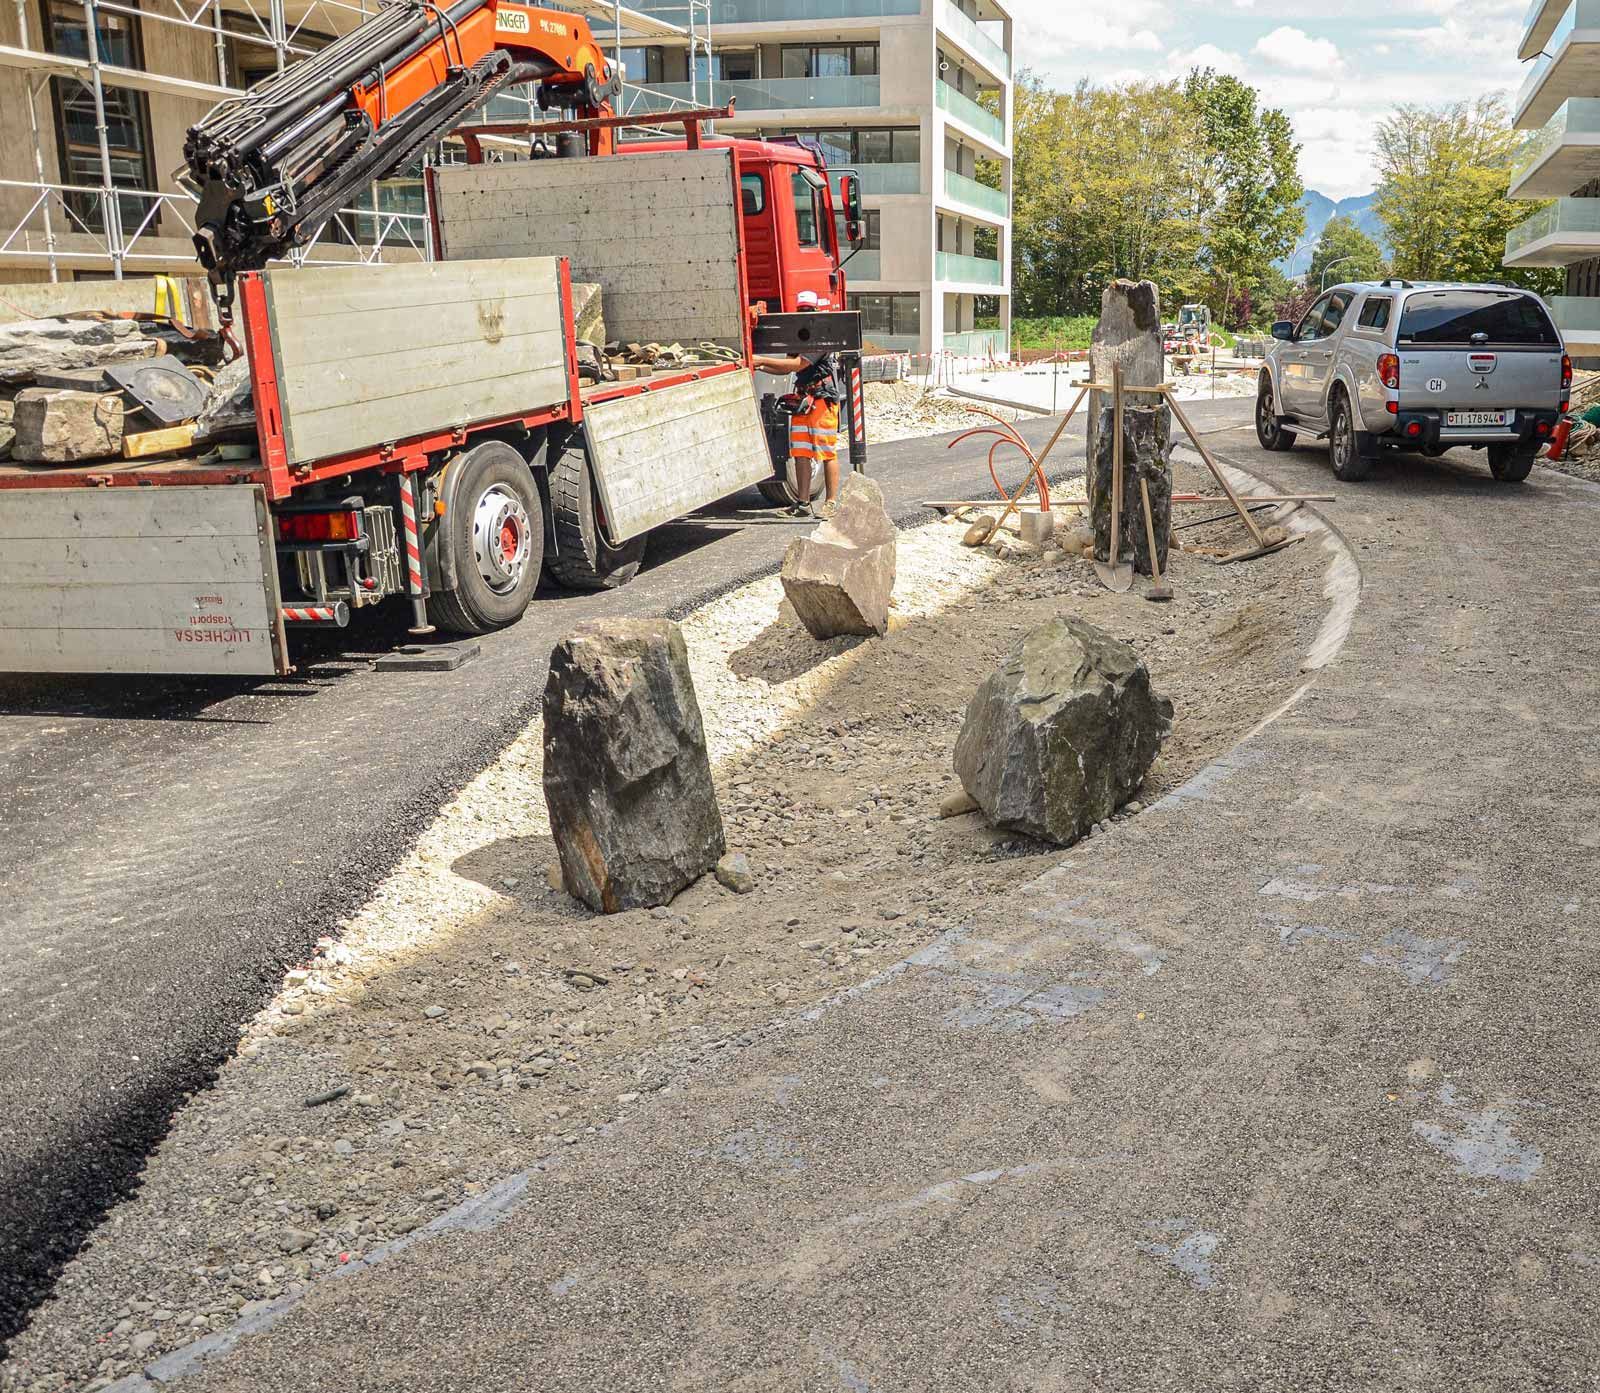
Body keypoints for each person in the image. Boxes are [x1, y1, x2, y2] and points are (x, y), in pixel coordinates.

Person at [752, 292, 844, 518]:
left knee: (826, 451)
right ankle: (802, 503)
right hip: (804, 399)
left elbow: (796, 365)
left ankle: (830, 502)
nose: (803, 315)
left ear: (815, 312)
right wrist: (759, 366)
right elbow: (786, 367)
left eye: (807, 311)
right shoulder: (799, 337)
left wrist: (761, 360)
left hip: (822, 399)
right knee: (801, 452)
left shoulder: (821, 337)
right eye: (801, 311)